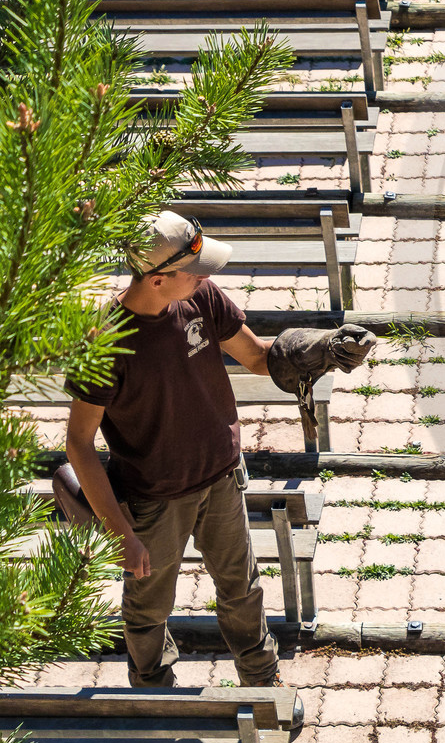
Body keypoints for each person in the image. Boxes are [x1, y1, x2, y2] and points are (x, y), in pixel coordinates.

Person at [64, 212, 285, 696]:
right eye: (197, 269)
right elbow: (78, 443)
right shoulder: (104, 342)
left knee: (242, 590)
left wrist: (316, 350)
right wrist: (120, 533)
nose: (207, 277)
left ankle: (262, 684)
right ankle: (153, 695)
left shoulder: (199, 296)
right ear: (158, 278)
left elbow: (257, 357)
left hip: (222, 478)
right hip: (155, 500)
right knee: (147, 610)